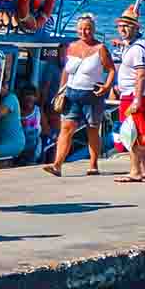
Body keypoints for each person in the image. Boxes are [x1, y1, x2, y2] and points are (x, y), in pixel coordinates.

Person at [45, 13, 115, 177]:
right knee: (66, 129)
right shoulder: (72, 47)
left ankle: (93, 165)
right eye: (81, 29)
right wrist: (61, 91)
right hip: (71, 94)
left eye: (88, 29)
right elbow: (66, 71)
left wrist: (106, 87)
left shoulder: (100, 49)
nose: (84, 32)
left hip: (92, 95)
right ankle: (57, 165)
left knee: (92, 130)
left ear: (93, 30)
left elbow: (111, 69)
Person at [113, 7, 145, 182]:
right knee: (137, 130)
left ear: (136, 28)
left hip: (133, 95)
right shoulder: (137, 44)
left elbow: (141, 74)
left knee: (132, 133)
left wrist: (137, 99)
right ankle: (141, 168)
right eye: (120, 26)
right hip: (132, 94)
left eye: (127, 26)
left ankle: (134, 171)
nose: (122, 29)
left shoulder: (137, 49)